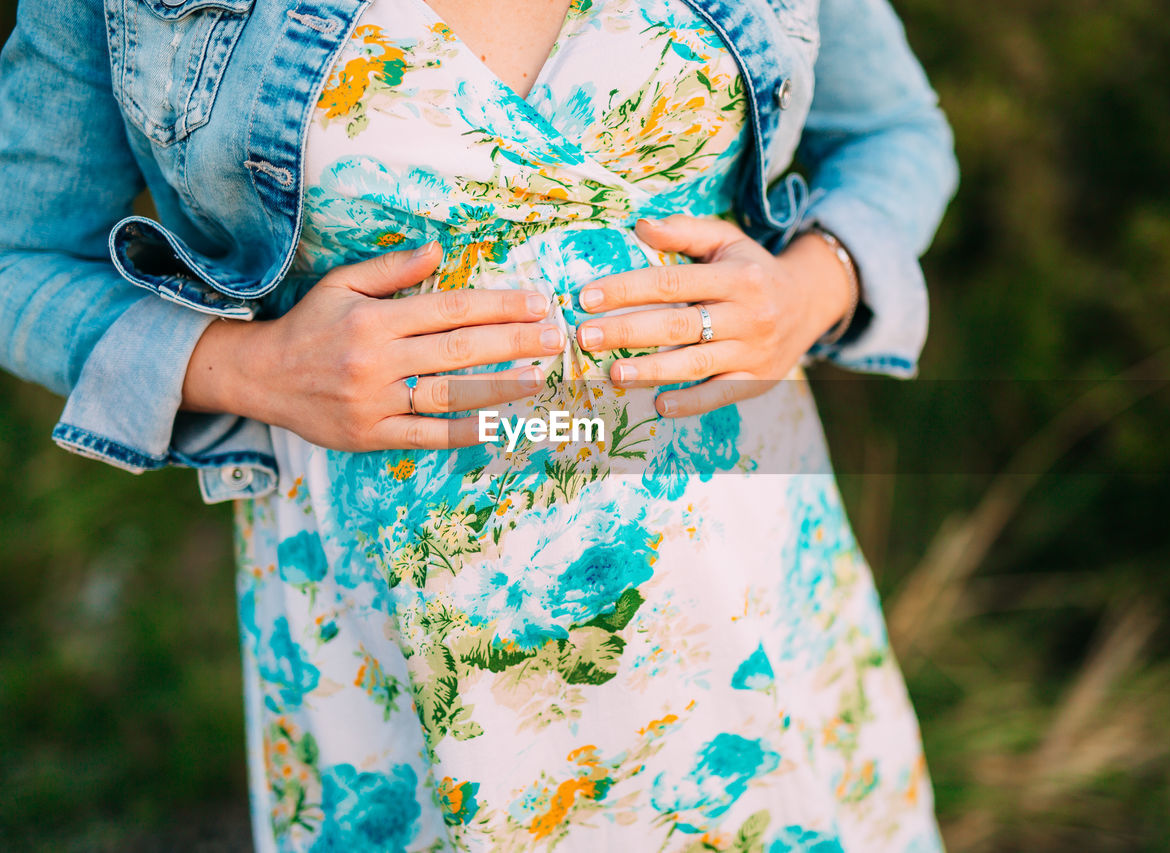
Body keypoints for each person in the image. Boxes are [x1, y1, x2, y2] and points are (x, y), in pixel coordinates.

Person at [0, 0, 958, 849]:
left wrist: (810, 288)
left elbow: (896, 134)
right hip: (395, 652)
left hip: (747, 615)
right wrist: (248, 367)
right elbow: (19, 255)